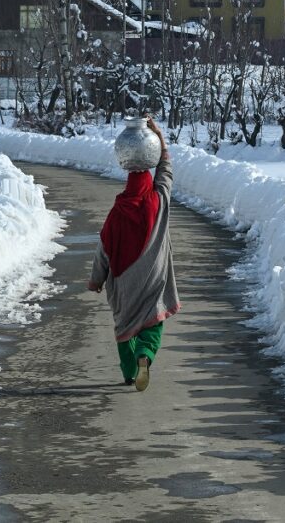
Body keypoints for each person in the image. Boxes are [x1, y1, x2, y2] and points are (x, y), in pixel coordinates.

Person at [88, 118, 179, 392]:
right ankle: (146, 355)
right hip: (154, 280)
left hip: (123, 283)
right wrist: (159, 138)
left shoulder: (117, 212)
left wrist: (96, 280)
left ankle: (129, 372)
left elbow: (104, 249)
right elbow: (166, 171)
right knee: (153, 323)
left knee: (124, 328)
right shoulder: (159, 200)